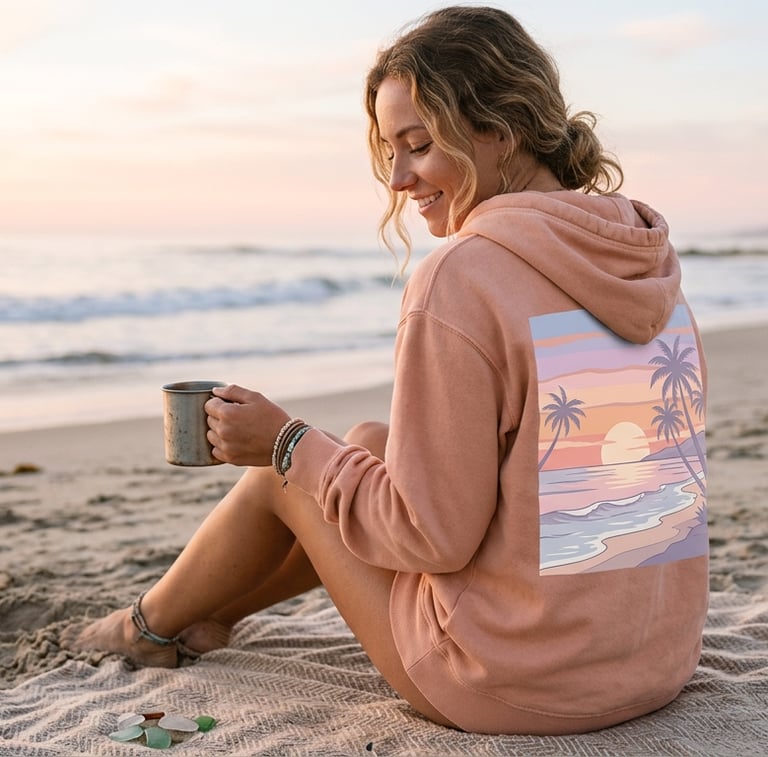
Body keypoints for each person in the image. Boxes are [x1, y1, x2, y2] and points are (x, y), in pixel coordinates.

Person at [70, 6, 709, 735]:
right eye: (389, 150)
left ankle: (142, 628)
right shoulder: (640, 260)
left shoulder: (466, 276)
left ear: (500, 130)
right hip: (651, 656)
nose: (400, 178)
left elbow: (429, 540)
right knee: (368, 438)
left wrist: (284, 442)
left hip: (518, 679)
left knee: (286, 474)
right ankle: (207, 614)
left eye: (419, 144)